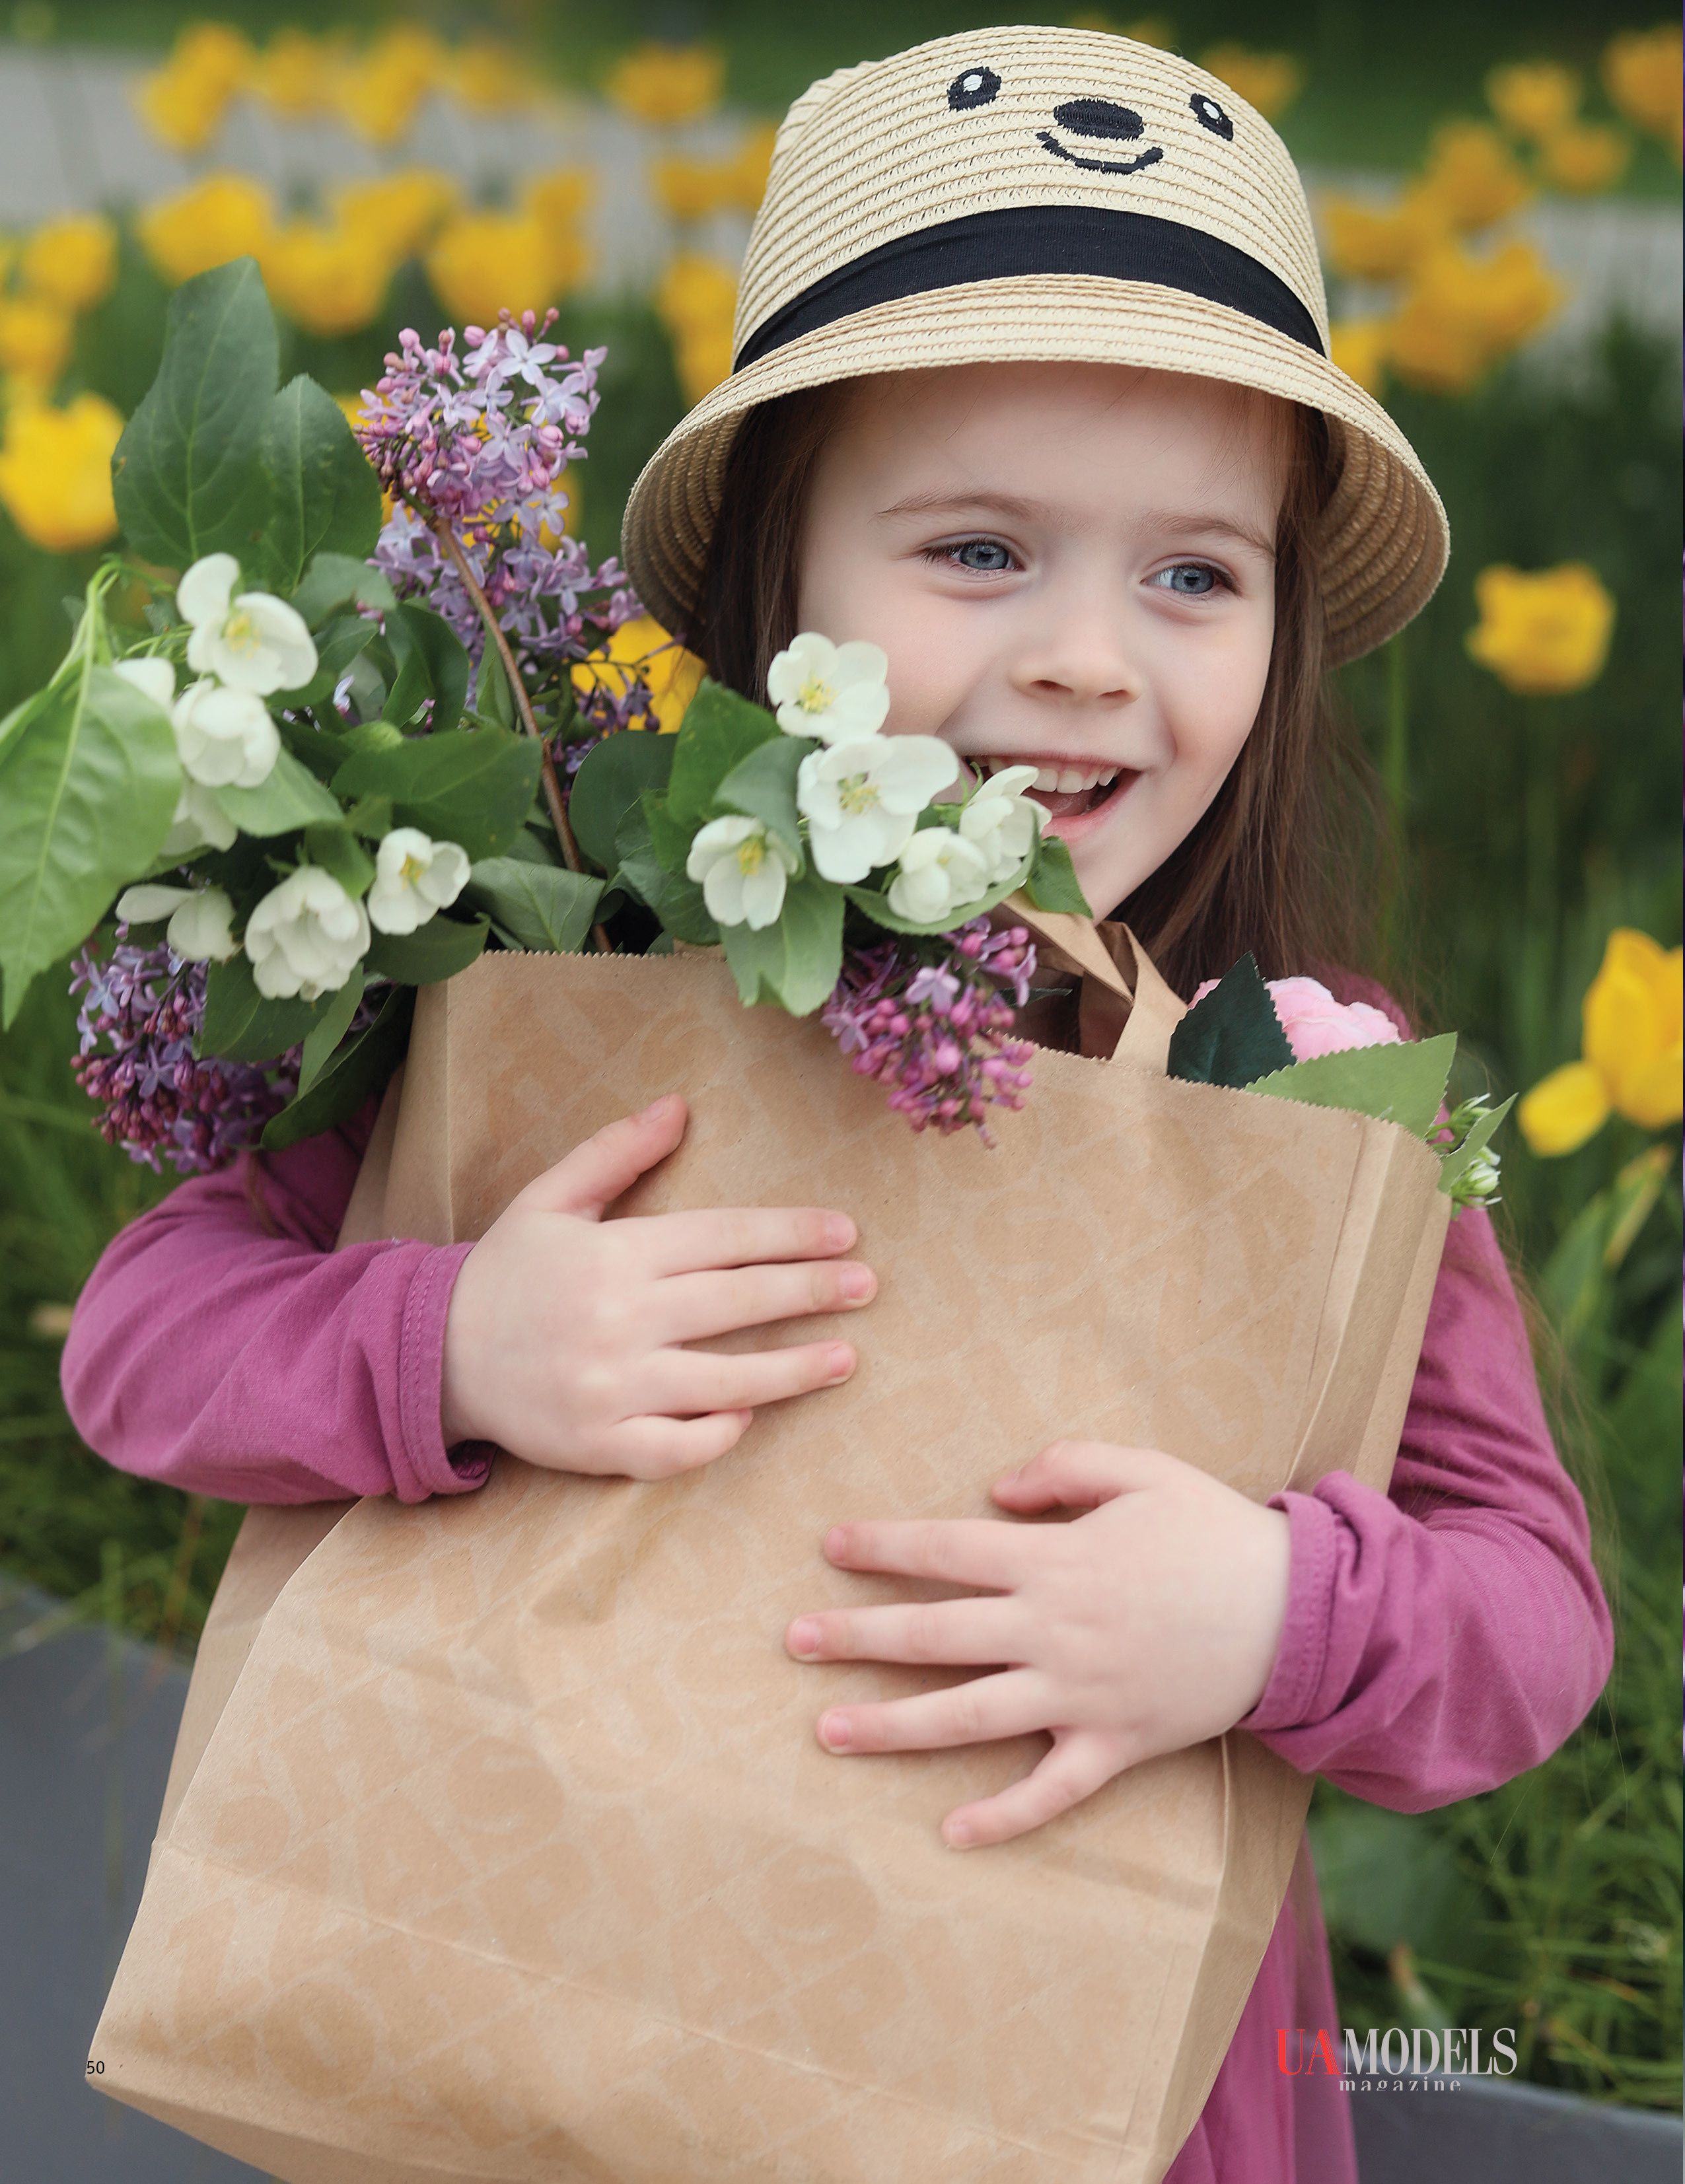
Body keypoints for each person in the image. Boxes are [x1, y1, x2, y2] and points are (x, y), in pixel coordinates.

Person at [63, 27, 1611, 2181]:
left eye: (1193, 574)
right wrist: (455, 1343)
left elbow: (1532, 1614)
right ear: (777, 594)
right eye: (979, 549)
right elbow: (145, 1343)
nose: (1090, 654)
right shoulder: (580, 995)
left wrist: (1271, 1618)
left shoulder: (1305, 1106)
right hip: (538, 2038)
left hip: (1100, 2115)